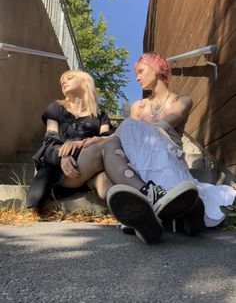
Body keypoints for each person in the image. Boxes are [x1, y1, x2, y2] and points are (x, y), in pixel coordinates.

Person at [26, 69, 200, 245]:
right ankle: (150, 195)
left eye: (69, 78)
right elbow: (50, 139)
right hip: (64, 167)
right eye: (61, 80)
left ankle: (138, 220)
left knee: (106, 179)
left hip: (91, 169)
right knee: (110, 145)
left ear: (85, 81)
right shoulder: (56, 108)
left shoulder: (100, 116)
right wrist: (61, 155)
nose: (63, 81)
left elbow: (105, 138)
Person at [111, 52, 236, 234]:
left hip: (171, 156)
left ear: (156, 69)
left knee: (129, 127)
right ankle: (162, 214)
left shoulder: (182, 101)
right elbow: (130, 143)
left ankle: (183, 212)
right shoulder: (138, 106)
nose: (137, 78)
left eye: (141, 71)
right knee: (124, 137)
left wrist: (128, 129)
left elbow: (164, 125)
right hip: (142, 159)